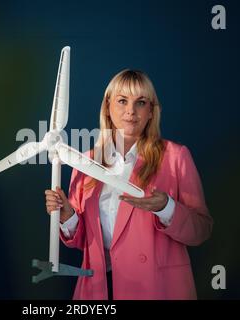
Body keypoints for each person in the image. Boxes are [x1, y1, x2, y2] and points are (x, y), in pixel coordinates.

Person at [44, 69, 213, 300]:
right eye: (122, 101)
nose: (131, 111)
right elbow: (84, 241)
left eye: (141, 102)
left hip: (157, 289)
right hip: (99, 291)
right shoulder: (83, 162)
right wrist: (67, 216)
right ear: (108, 107)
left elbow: (201, 230)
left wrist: (166, 207)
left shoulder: (175, 157)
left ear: (152, 112)